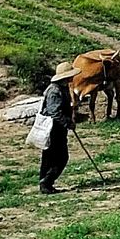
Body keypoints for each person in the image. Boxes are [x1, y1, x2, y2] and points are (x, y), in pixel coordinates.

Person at [38, 64, 77, 193]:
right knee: (60, 158)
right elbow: (54, 111)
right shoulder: (55, 90)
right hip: (53, 129)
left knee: (49, 157)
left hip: (57, 129)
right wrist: (68, 123)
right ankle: (46, 182)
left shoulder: (61, 88)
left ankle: (45, 183)